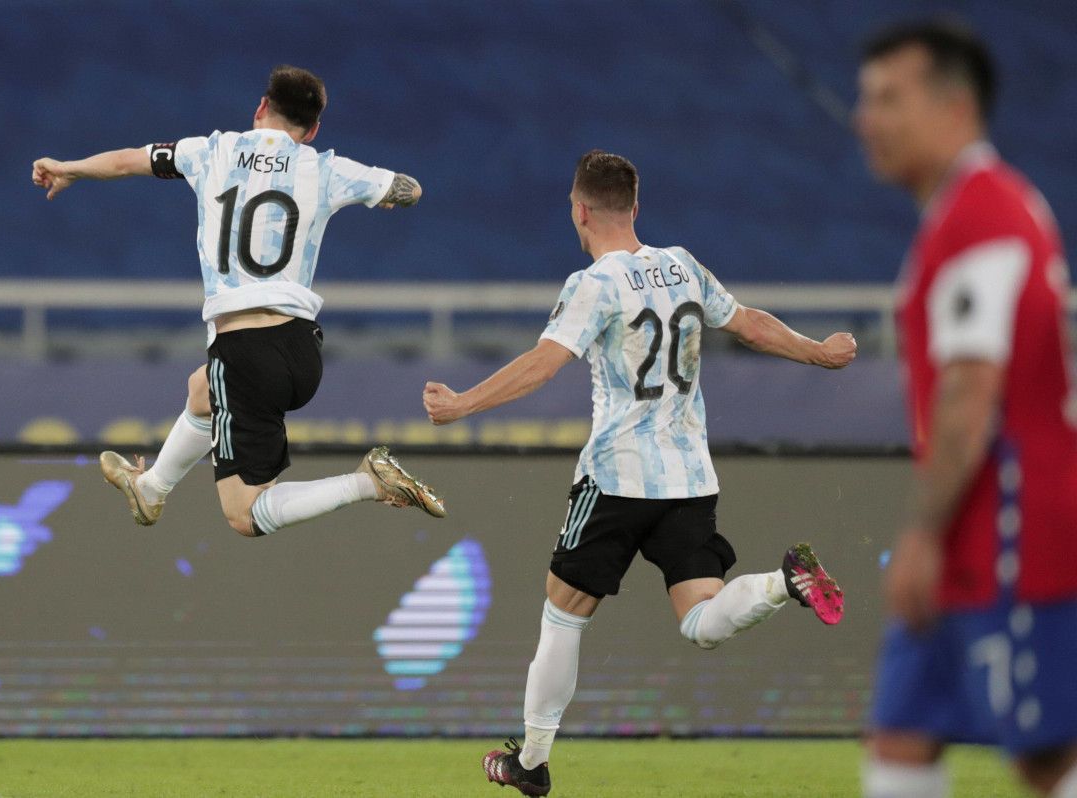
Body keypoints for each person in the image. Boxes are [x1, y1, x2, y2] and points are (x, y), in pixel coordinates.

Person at [422, 150, 856, 796]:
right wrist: (818, 353)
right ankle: (780, 582)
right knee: (701, 620)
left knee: (563, 614)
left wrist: (462, 404)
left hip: (616, 478)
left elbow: (544, 365)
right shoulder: (681, 265)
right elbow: (751, 325)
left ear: (580, 211)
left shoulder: (593, 284)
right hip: (689, 479)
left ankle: (533, 763)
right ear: (636, 207)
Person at [32, 65, 445, 538]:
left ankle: (366, 482)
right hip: (302, 349)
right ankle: (150, 490)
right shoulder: (325, 167)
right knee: (203, 391)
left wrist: (69, 169)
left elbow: (129, 159)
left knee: (245, 515)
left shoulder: (212, 150)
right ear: (311, 130)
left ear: (260, 108)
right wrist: (388, 195)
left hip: (244, 349)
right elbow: (410, 189)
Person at [855, 21, 1077, 798]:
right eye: (865, 99)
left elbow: (971, 391)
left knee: (1047, 759)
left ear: (955, 107)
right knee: (902, 737)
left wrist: (921, 533)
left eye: (889, 98)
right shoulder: (967, 214)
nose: (867, 119)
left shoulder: (984, 215)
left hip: (1014, 537)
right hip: (973, 539)